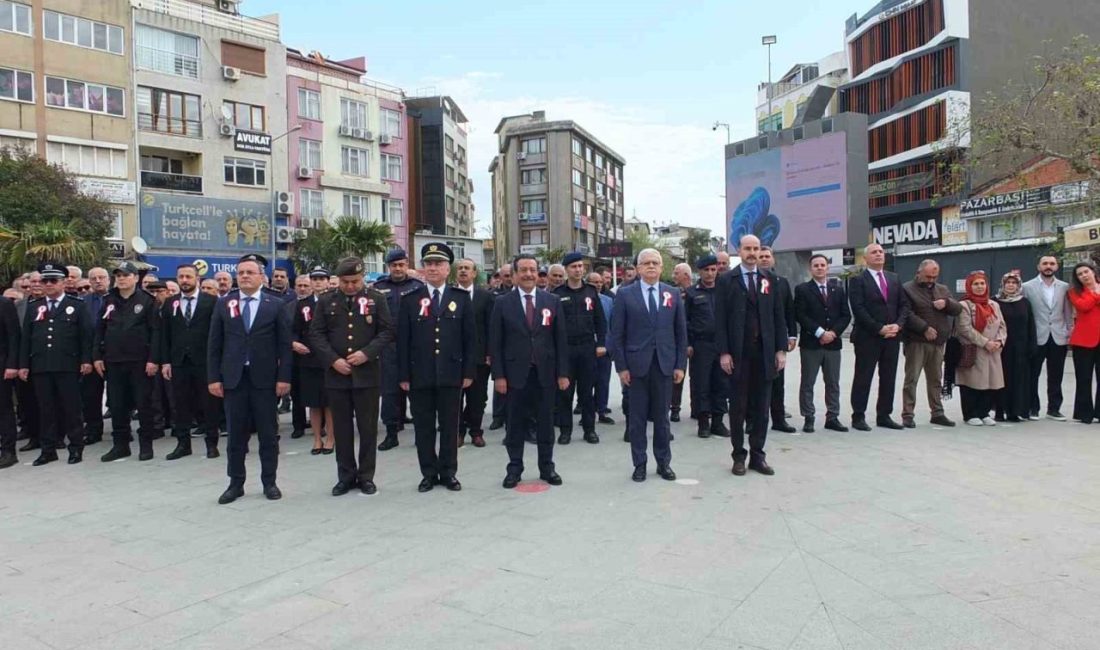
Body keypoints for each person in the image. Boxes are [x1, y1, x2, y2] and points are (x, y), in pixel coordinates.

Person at [208, 254, 293, 504]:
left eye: (250, 272)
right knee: (236, 435)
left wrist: (284, 378)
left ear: (261, 277)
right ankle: (235, 483)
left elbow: (285, 345)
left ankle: (270, 482)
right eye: (241, 272)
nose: (244, 276)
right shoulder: (225, 304)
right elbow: (214, 344)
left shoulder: (275, 304)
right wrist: (213, 378)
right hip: (234, 379)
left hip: (264, 380)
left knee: (268, 434)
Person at [310, 257, 393, 495]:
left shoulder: (376, 298)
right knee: (342, 429)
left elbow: (387, 331)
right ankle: (345, 476)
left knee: (367, 429)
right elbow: (316, 334)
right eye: (345, 281)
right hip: (337, 376)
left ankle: (366, 476)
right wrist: (332, 360)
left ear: (362, 277)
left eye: (355, 281)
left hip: (367, 374)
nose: (350, 286)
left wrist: (367, 353)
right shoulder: (326, 300)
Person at [398, 244, 475, 492]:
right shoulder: (410, 299)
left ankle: (449, 472)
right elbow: (403, 341)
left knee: (450, 427)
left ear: (447, 268)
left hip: (451, 374)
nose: (432, 268)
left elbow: (469, 339)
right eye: (428, 263)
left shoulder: (460, 298)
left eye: (438, 264)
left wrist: (468, 372)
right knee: (424, 427)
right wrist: (403, 375)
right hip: (420, 374)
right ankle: (428, 474)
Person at [489, 254, 569, 488]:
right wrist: (499, 375)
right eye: (523, 270)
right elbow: (495, 342)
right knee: (515, 424)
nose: (528, 274)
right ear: (514, 275)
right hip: (514, 374)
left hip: (545, 373)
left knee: (546, 423)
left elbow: (560, 340)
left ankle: (547, 467)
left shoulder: (552, 301)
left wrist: (563, 373)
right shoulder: (502, 303)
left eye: (532, 270)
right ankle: (514, 468)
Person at [609, 248, 686, 482]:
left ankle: (663, 463)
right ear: (638, 268)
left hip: (664, 365)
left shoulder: (673, 293)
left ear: (662, 267)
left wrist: (680, 365)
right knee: (637, 419)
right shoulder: (625, 295)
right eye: (646, 263)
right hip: (636, 367)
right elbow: (617, 334)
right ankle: (639, 464)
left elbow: (680, 333)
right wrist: (621, 367)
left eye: (655, 262)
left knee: (662, 419)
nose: (651, 266)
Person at [716, 236, 787, 476]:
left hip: (764, 354)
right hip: (738, 354)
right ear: (739, 250)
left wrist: (780, 349)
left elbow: (778, 316)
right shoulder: (727, 280)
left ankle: (758, 455)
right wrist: (724, 352)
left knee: (762, 408)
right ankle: (739, 455)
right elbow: (720, 320)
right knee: (738, 408)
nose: (752, 252)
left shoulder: (770, 279)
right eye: (748, 248)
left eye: (756, 248)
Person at [19, 262, 92, 465]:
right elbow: (27, 339)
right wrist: (24, 364)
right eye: (45, 281)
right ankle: (48, 449)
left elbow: (86, 336)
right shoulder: (35, 307)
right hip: (41, 365)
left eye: (53, 280)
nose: (48, 284)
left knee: (71, 409)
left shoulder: (76, 305)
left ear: (63, 282)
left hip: (68, 365)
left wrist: (86, 360)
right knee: (46, 410)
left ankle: (76, 448)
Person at [95, 263, 159, 462]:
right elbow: (100, 330)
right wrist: (97, 356)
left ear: (136, 278)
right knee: (117, 404)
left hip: (139, 361)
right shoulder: (109, 300)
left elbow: (155, 333)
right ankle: (120, 445)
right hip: (114, 360)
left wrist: (153, 359)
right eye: (118, 276)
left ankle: (146, 445)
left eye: (125, 275)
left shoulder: (147, 300)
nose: (121, 279)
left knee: (143, 404)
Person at [158, 264, 220, 460]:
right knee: (180, 405)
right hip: (179, 362)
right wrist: (165, 361)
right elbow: (164, 334)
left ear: (197, 279)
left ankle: (212, 443)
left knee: (209, 404)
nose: (184, 280)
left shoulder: (212, 301)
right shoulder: (171, 303)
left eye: (188, 277)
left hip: (204, 361)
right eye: (181, 277)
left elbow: (218, 333)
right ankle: (183, 444)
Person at [848, 243, 910, 431]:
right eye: (874, 252)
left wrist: (898, 325)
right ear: (865, 258)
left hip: (892, 337)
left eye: (881, 252)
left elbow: (904, 305)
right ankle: (858, 416)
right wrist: (879, 328)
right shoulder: (858, 280)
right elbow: (858, 309)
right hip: (868, 337)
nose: (878, 255)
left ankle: (884, 415)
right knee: (863, 377)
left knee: (888, 377)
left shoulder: (894, 278)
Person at [552, 253, 606, 444]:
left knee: (586, 393)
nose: (578, 270)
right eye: (573, 266)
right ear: (566, 270)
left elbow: (600, 320)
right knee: (564, 393)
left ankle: (589, 430)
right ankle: (565, 430)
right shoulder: (557, 293)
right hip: (566, 349)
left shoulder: (591, 291)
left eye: (580, 266)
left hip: (587, 348)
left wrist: (601, 343)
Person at [900, 260, 961, 428]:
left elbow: (957, 309)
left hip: (938, 341)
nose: (931, 280)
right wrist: (924, 328)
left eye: (935, 277)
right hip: (916, 341)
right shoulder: (907, 289)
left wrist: (947, 303)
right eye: (928, 277)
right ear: (918, 272)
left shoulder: (942, 289)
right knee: (912, 379)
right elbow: (906, 313)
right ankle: (908, 414)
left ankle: (937, 412)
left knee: (935, 379)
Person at [372, 249, 423, 450]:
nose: (398, 268)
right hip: (389, 346)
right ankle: (391, 433)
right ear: (388, 267)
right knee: (389, 392)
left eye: (401, 265)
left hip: (413, 346)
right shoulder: (378, 288)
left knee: (417, 391)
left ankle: (421, 434)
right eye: (394, 265)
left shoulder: (417, 287)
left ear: (407, 265)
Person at [794, 254, 851, 433]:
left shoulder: (838, 290)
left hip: (833, 344)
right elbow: (800, 314)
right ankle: (808, 416)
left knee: (833, 382)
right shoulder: (802, 289)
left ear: (827, 267)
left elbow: (846, 315)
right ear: (810, 269)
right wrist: (819, 332)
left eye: (822, 265)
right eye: (816, 265)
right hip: (811, 344)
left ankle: (832, 417)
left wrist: (833, 333)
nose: (819, 268)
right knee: (808, 382)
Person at [1022, 256, 1073, 421]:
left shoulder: (1064, 287)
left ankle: (1054, 409)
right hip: (1037, 336)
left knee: (1056, 375)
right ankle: (1032, 408)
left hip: (1058, 336)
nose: (1048, 266)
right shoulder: (1027, 287)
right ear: (1039, 266)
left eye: (1052, 264)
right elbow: (1025, 313)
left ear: (1056, 267)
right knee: (1033, 374)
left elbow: (1067, 311)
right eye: (1045, 263)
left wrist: (1068, 331)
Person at [685, 254, 730, 438]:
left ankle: (718, 422)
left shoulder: (725, 290)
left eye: (713, 269)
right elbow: (685, 321)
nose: (710, 273)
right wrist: (688, 343)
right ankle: (703, 423)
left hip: (722, 344)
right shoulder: (691, 293)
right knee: (701, 384)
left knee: (721, 384)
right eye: (706, 270)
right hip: (701, 344)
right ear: (700, 271)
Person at [956, 271, 1006, 426]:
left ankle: (984, 412)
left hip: (993, 351)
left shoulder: (994, 304)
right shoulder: (964, 305)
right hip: (974, 349)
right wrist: (985, 343)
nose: (980, 287)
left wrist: (999, 341)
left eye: (982, 283)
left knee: (990, 381)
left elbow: (1002, 325)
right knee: (971, 382)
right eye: (975, 284)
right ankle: (970, 414)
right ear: (969, 286)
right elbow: (964, 328)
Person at [758, 247, 798, 433]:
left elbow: (789, 311)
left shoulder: (781, 282)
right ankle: (754, 421)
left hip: (776, 340)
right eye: (761, 256)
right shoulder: (750, 282)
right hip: (755, 340)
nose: (764, 259)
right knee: (755, 383)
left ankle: (779, 420)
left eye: (767, 256)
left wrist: (792, 335)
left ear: (773, 259)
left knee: (778, 382)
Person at [455, 258, 493, 448]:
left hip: (479, 356)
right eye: (460, 268)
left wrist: (490, 353)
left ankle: (476, 432)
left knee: (478, 398)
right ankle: (459, 432)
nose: (463, 271)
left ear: (474, 273)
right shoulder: (449, 294)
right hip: (454, 357)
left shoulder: (485, 296)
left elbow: (491, 326)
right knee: (455, 398)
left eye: (467, 268)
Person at [994, 273, 1036, 423]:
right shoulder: (995, 302)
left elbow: (1031, 325)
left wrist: (1032, 345)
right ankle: (999, 410)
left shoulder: (1024, 302)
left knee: (1018, 380)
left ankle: (1014, 411)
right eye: (1008, 282)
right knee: (1001, 379)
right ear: (1003, 284)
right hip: (1002, 348)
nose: (1011, 285)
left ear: (1019, 285)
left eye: (1014, 283)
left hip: (1020, 348)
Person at [1067, 263, 1100, 423]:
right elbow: (1084, 306)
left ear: (1093, 272)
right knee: (1083, 378)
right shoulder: (1074, 292)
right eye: (1080, 274)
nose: (1084, 275)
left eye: (1086, 271)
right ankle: (1083, 413)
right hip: (1083, 341)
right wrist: (1096, 294)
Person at [81, 267, 109, 445]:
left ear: (108, 279)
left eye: (101, 277)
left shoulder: (117, 298)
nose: (98, 281)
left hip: (115, 353)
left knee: (119, 395)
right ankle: (94, 430)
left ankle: (122, 430)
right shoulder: (83, 302)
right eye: (94, 278)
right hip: (91, 354)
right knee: (91, 395)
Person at [488, 263, 513, 432]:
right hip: (500, 345)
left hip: (515, 345)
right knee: (500, 382)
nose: (509, 278)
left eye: (511, 275)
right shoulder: (494, 295)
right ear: (500, 277)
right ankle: (498, 416)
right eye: (506, 276)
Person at [588, 271, 615, 424]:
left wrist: (609, 346)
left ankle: (602, 410)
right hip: (587, 347)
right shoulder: (584, 299)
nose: (598, 285)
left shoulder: (608, 301)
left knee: (603, 381)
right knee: (587, 383)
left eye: (600, 282)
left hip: (604, 348)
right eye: (594, 282)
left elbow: (613, 325)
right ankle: (587, 412)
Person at [669, 262, 693, 423]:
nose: (673, 275)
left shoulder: (696, 292)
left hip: (695, 341)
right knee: (676, 376)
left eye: (676, 273)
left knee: (697, 378)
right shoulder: (671, 293)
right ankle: (674, 408)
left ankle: (698, 408)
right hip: (675, 341)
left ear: (686, 275)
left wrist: (690, 342)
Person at [0, 292, 20, 469]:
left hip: (2, 365)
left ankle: (8, 451)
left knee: (4, 409)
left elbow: (14, 336)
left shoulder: (4, 304)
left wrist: (12, 364)